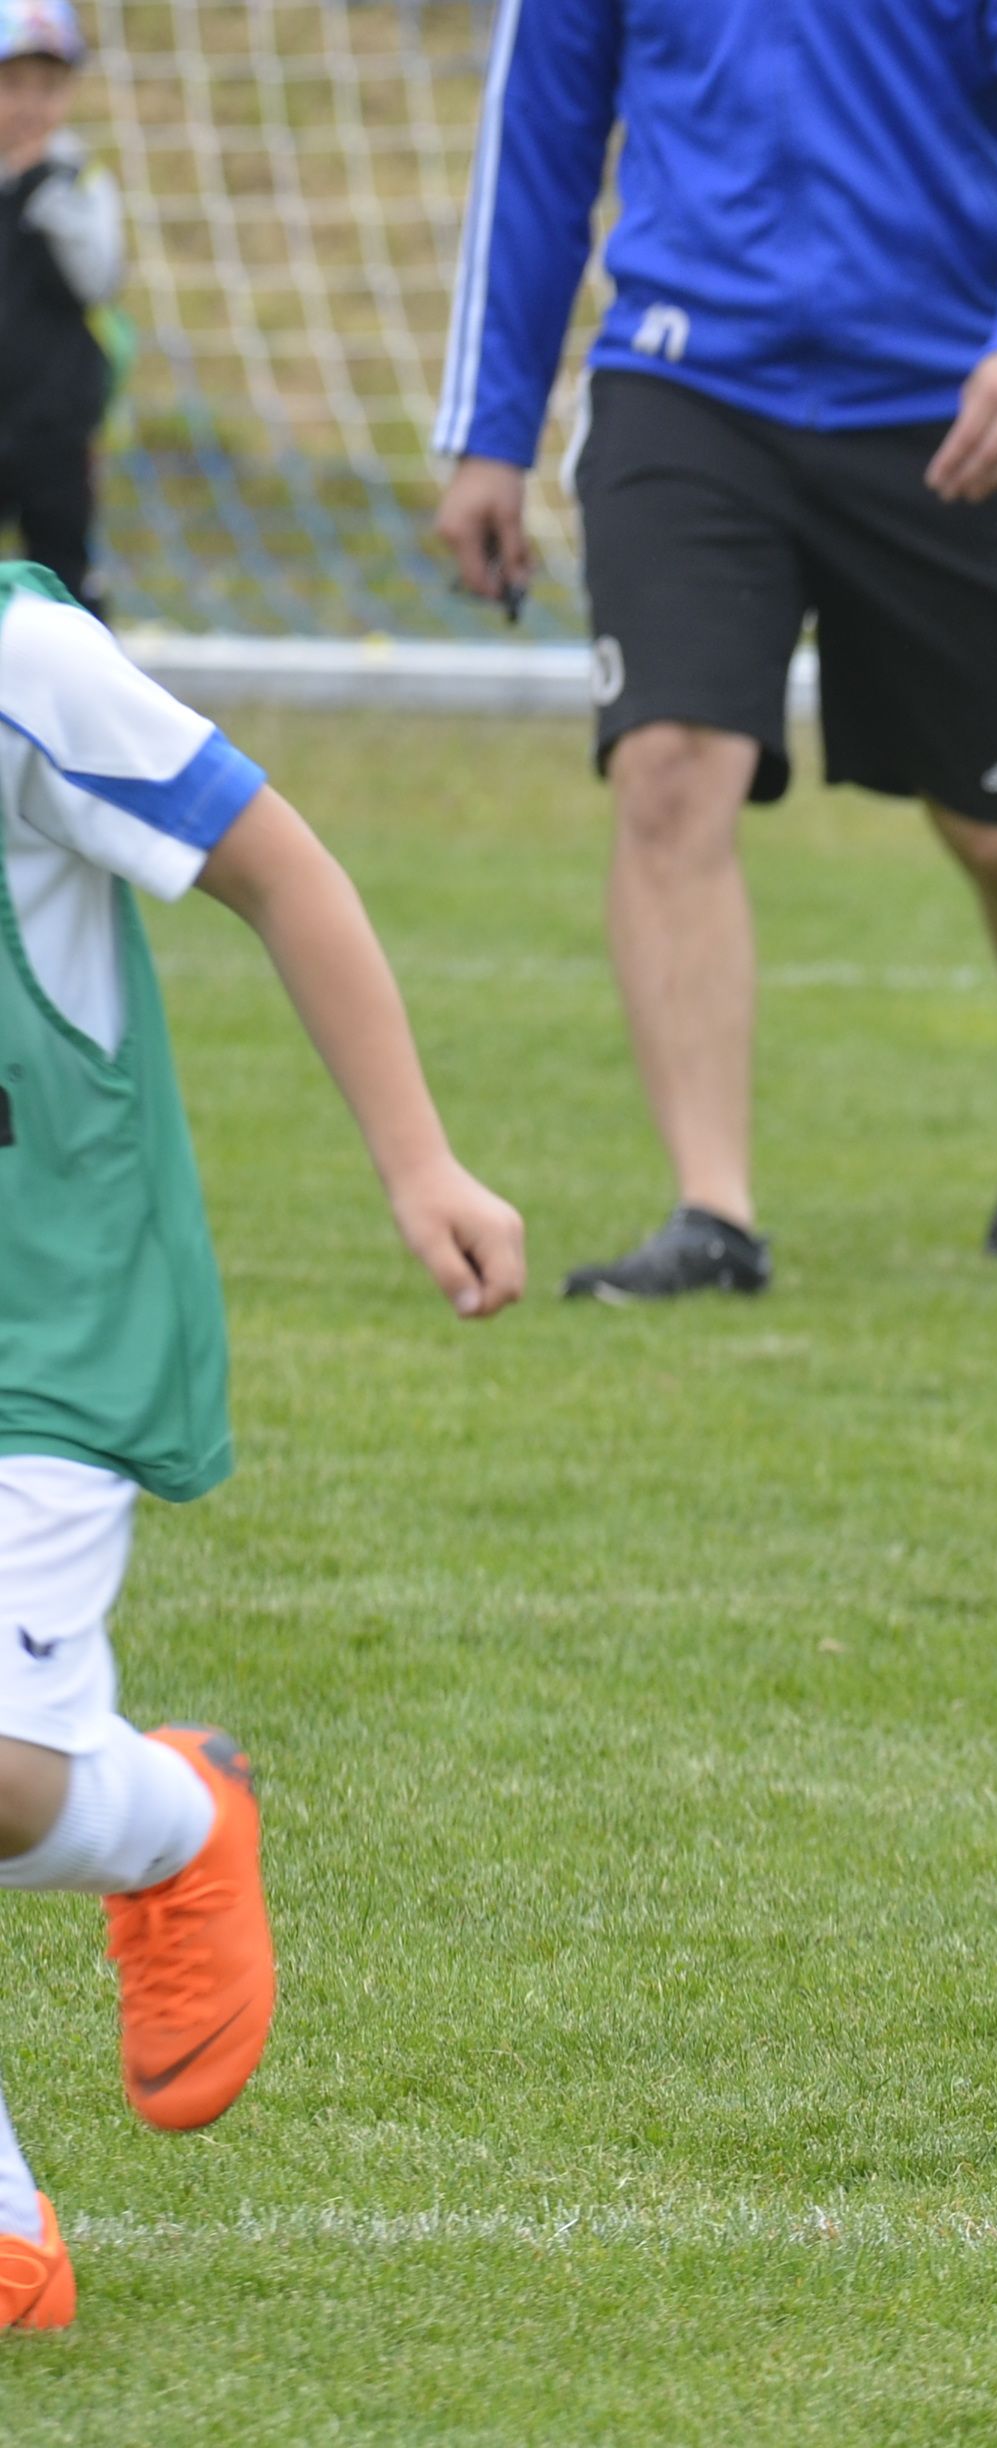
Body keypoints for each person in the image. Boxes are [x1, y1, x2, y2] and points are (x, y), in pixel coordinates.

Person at [0, 567, 527, 2328]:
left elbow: (280, 867)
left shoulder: (26, 665)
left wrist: (420, 1163)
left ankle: (169, 1817)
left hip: (48, 1316)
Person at [429, 0, 997, 1296]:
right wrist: (491, 427)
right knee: (667, 769)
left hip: (944, 405)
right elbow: (538, 131)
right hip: (686, 381)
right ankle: (715, 1216)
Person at [0, 0, 122, 618]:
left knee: (64, 574)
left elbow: (100, 280)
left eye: (47, 88)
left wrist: (44, 192)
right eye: (13, 85)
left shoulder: (79, 178)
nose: (30, 105)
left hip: (55, 424)